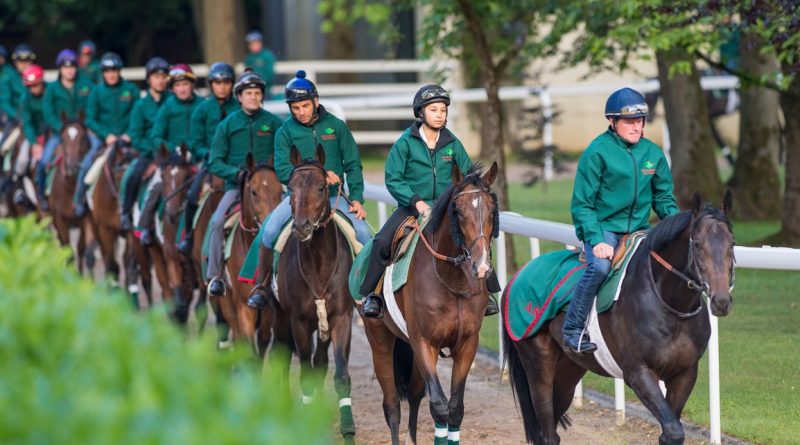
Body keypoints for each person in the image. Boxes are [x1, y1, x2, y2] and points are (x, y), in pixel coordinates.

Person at [358, 84, 500, 318]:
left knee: (477, 237)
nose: (439, 115)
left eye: (443, 110)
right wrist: (417, 203)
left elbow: (467, 177)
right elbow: (393, 179)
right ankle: (372, 295)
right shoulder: (405, 143)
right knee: (383, 240)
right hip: (412, 208)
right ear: (421, 113)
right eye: (434, 110)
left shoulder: (452, 144)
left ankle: (488, 293)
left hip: (448, 209)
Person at [564, 87, 678, 353]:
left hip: (640, 231)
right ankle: (573, 330)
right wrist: (594, 240)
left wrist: (678, 226)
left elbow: (663, 199)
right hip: (605, 231)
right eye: (629, 121)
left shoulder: (653, 153)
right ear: (612, 121)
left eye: (640, 121)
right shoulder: (597, 152)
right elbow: (582, 205)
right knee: (600, 268)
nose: (636, 126)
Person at [246, 70, 369, 309]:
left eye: (305, 106)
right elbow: (282, 168)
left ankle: (368, 291)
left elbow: (353, 164)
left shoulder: (337, 127)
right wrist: (316, 176)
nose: (301, 112)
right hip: (298, 197)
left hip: (335, 197)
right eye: (295, 108)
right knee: (269, 231)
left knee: (363, 234)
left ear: (315, 101)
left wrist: (356, 198)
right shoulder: (285, 132)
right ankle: (261, 286)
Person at [204, 71, 284, 297]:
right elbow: (215, 162)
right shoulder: (227, 125)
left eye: (257, 93)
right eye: (248, 93)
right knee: (218, 222)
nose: (253, 97)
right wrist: (236, 174)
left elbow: (285, 154)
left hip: (270, 188)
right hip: (236, 188)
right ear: (239, 96)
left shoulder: (274, 123)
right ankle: (216, 276)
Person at [177, 62, 239, 255]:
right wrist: (207, 153)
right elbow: (195, 142)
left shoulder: (239, 107)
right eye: (217, 83)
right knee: (191, 196)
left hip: (236, 165)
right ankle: (187, 238)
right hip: (210, 164)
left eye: (226, 82)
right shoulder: (202, 109)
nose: (222, 86)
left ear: (231, 84)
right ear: (211, 84)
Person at [138, 63, 202, 246]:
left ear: (192, 85)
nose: (182, 89)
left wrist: (194, 150)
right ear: (172, 88)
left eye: (185, 84)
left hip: (197, 159)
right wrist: (172, 149)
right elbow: (156, 136)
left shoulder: (203, 105)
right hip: (173, 161)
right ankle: (145, 227)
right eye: (177, 85)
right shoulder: (167, 107)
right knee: (155, 187)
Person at [75, 52, 139, 218]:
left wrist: (130, 134)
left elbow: (139, 115)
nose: (111, 74)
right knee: (88, 162)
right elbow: (90, 119)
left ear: (119, 71)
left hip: (128, 139)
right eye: (107, 71)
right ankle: (79, 199)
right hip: (103, 139)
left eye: (114, 70)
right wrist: (106, 135)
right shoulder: (96, 91)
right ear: (103, 73)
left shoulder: (131, 90)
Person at [118, 57, 171, 232]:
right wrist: (153, 150)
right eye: (156, 77)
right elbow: (136, 135)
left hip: (171, 153)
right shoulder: (140, 105)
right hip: (148, 153)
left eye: (163, 77)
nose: (160, 80)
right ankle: (126, 212)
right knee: (133, 176)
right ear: (149, 79)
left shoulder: (171, 101)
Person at [37, 49, 93, 210]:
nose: (69, 70)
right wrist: (60, 127)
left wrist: (85, 126)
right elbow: (48, 113)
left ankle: (87, 197)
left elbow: (91, 107)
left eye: (72, 67)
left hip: (83, 131)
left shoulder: (87, 85)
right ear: (60, 69)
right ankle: (42, 195)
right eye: (65, 67)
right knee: (44, 161)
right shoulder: (52, 89)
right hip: (59, 132)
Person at [12, 64, 47, 206]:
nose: (34, 89)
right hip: (34, 135)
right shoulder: (25, 99)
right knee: (22, 160)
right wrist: (34, 142)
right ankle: (20, 191)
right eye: (30, 86)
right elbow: (27, 123)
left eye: (36, 85)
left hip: (52, 134)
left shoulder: (51, 92)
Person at [0, 44, 36, 145]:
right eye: (21, 62)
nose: (24, 65)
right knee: (4, 145)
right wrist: (17, 116)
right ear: (15, 63)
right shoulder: (8, 78)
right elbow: (5, 103)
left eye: (27, 61)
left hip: (35, 118)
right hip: (16, 118)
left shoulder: (37, 77)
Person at [243, 31, 276, 99]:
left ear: (261, 43)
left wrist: (260, 82)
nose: (254, 46)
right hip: (251, 89)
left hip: (265, 89)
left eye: (256, 43)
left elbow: (270, 74)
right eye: (251, 44)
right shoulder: (249, 58)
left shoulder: (267, 55)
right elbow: (247, 73)